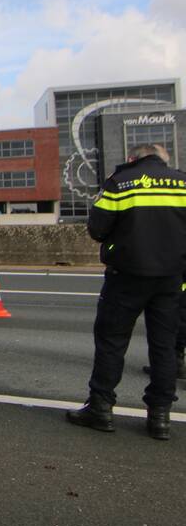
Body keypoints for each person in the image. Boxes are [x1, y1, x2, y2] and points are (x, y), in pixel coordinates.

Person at [67, 143, 186, 441]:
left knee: (111, 342)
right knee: (165, 346)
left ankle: (101, 408)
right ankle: (160, 417)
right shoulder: (182, 181)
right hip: (171, 277)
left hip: (127, 274)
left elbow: (97, 228)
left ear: (133, 158)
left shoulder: (121, 183)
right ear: (161, 158)